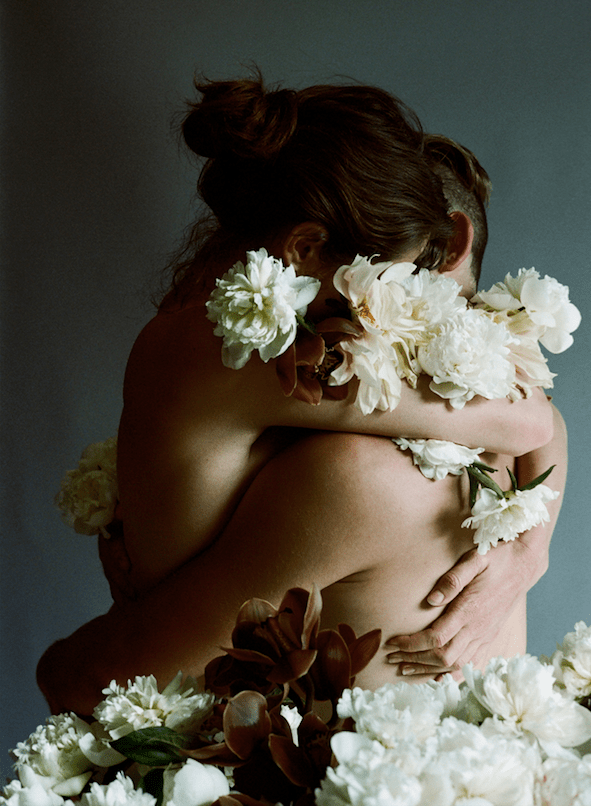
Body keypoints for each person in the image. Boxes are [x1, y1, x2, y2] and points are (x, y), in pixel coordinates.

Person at [36, 76, 558, 715]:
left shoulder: (234, 335)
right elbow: (528, 420)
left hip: (215, 655)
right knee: (66, 670)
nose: (394, 318)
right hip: (171, 667)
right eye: (391, 286)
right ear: (307, 248)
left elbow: (534, 419)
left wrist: (530, 549)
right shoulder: (254, 355)